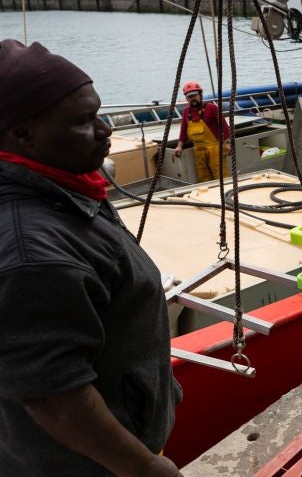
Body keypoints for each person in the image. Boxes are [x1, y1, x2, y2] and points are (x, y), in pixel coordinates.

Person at [0, 39, 182, 476]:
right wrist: (145, 468)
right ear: (22, 133)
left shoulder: (61, 185)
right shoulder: (32, 254)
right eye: (84, 122)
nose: (105, 131)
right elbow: (56, 397)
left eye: (99, 113)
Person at [173, 80, 232, 181]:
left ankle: (225, 193)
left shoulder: (212, 108)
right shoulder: (186, 112)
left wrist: (227, 143)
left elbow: (224, 126)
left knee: (220, 175)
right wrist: (179, 146)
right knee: (203, 177)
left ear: (200, 95)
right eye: (189, 97)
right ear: (187, 98)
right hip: (198, 150)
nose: (192, 99)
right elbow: (183, 131)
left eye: (194, 95)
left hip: (215, 149)